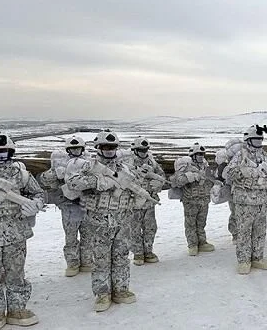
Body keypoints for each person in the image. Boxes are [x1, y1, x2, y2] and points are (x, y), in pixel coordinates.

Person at [65, 130, 137, 312]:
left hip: (122, 220)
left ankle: (121, 289)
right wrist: (98, 181)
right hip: (98, 222)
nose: (109, 150)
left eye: (112, 147)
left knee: (121, 256)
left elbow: (132, 187)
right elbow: (72, 183)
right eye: (105, 147)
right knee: (101, 259)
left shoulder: (123, 168)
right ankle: (102, 294)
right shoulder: (88, 166)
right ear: (98, 148)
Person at [0, 131, 44, 327]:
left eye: (3, 153)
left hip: (15, 233)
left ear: (11, 153)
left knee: (16, 273)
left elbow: (39, 193)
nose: (0, 157)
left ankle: (17, 309)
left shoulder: (21, 175)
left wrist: (35, 204)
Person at [223, 125, 267, 274]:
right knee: (244, 231)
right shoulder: (241, 155)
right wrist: (244, 172)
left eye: (260, 140)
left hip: (261, 200)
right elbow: (228, 173)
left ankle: (257, 257)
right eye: (256, 140)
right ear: (248, 140)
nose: (259, 143)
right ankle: (243, 260)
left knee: (260, 231)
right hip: (244, 201)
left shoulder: (264, 156)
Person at [38, 136, 93, 276]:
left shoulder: (88, 163)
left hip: (87, 205)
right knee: (71, 237)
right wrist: (55, 173)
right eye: (73, 148)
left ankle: (87, 262)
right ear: (68, 149)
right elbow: (44, 180)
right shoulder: (60, 163)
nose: (76, 150)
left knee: (88, 236)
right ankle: (72, 264)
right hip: (69, 206)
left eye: (78, 148)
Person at [127, 137, 165, 265]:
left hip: (149, 202)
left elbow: (161, 176)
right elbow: (124, 180)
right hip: (134, 203)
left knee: (150, 227)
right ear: (135, 150)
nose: (143, 152)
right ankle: (138, 253)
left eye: (145, 150)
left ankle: (148, 251)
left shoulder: (152, 163)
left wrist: (158, 183)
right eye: (140, 150)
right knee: (134, 229)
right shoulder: (129, 163)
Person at [172, 143, 215, 256]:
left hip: (204, 200)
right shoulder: (185, 166)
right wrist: (189, 177)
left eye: (202, 154)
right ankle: (192, 244)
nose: (201, 156)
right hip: (190, 200)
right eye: (198, 154)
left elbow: (210, 179)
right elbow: (177, 181)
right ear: (193, 155)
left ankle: (202, 242)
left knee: (201, 223)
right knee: (191, 224)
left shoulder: (205, 166)